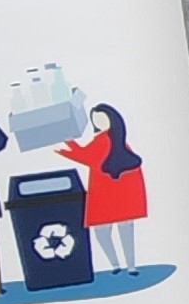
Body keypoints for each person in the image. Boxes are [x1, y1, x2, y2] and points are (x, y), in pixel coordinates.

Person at [57, 105, 148, 273]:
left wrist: (64, 147)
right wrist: (68, 143)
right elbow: (88, 155)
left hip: (107, 192)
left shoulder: (104, 140)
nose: (97, 122)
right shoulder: (117, 141)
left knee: (105, 231)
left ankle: (119, 265)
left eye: (101, 118)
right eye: (95, 119)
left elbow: (85, 156)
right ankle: (128, 265)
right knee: (123, 230)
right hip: (115, 192)